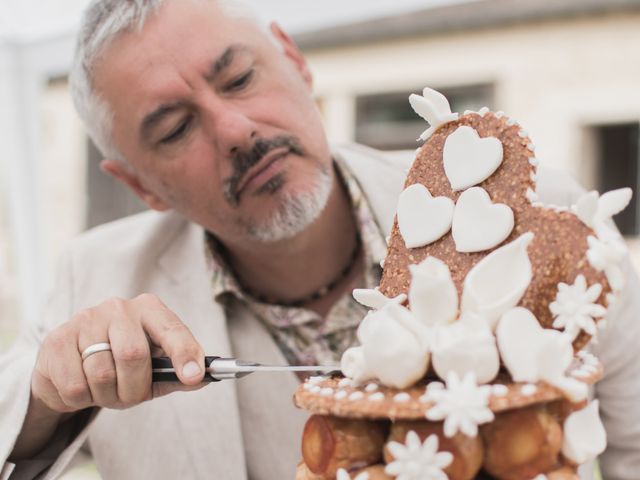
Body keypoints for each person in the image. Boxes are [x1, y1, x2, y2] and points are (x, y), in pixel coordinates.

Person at [0, 1, 639, 479]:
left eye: (240, 78)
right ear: (141, 186)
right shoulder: (95, 274)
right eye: (174, 129)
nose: (234, 129)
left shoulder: (542, 225)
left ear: (296, 61)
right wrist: (45, 395)